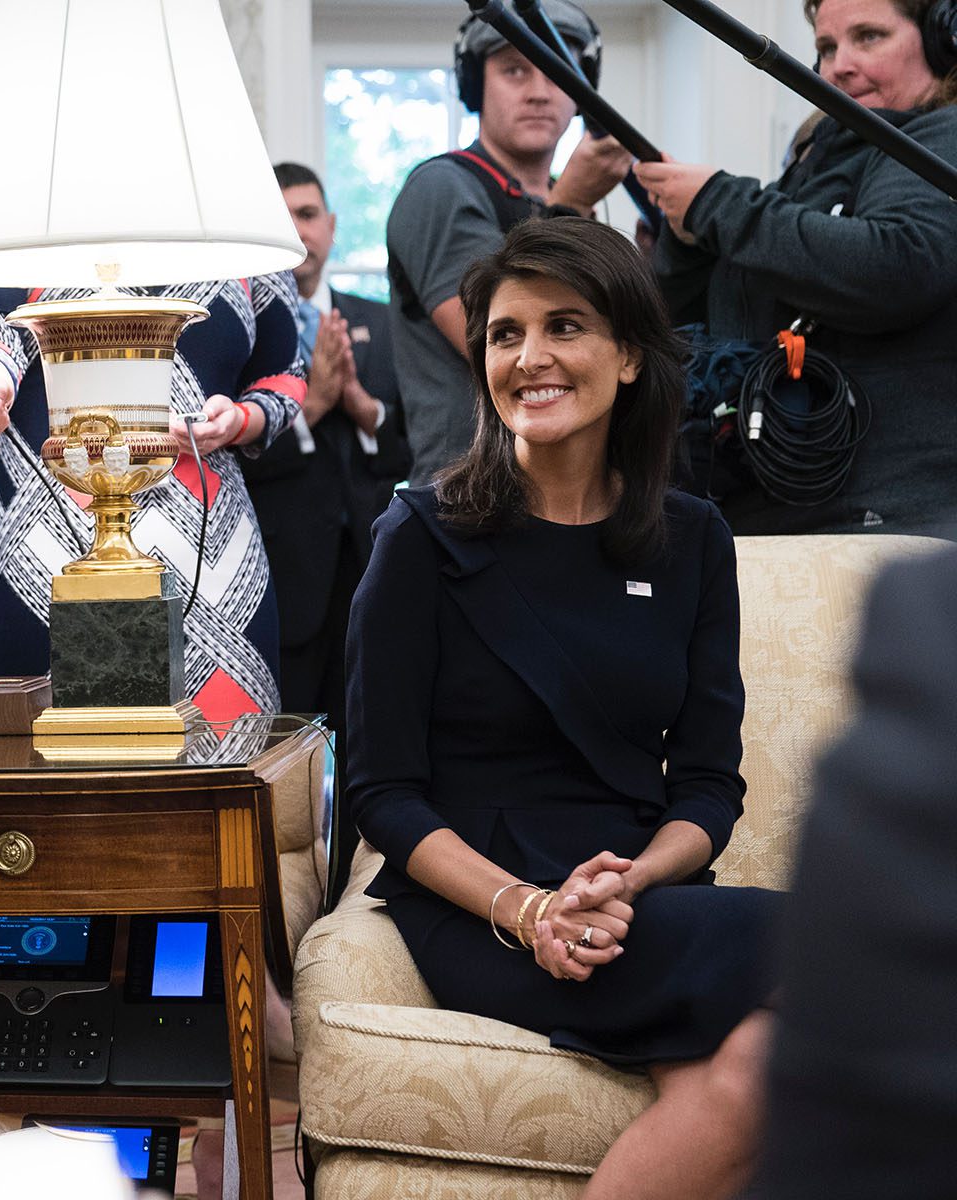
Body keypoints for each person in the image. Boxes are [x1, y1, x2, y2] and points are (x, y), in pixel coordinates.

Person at [348, 218, 779, 1199]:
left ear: (627, 356)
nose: (530, 357)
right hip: (482, 908)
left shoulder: (695, 540)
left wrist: (627, 883)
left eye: (565, 326)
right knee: (860, 945)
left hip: (635, 900)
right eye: (506, 333)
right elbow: (385, 791)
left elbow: (709, 786)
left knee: (756, 1075)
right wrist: (529, 906)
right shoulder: (419, 535)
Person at [635, 0, 957, 534]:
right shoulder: (822, 158)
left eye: (869, 37)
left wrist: (719, 203)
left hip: (891, 526)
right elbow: (696, 319)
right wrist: (689, 243)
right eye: (827, 47)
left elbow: (899, 265)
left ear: (944, 40)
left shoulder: (940, 137)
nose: (839, 66)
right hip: (777, 510)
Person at [0, 277, 304, 723]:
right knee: (36, 765)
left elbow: (282, 374)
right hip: (44, 539)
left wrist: (241, 419)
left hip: (214, 551)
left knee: (226, 763)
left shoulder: (238, 214)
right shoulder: (27, 212)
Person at [760, 546, 957, 1195]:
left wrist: (642, 870)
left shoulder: (923, 614)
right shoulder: (928, 621)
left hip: (649, 880)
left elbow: (706, 785)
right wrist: (521, 904)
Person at [386, 0, 634, 485]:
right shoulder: (441, 187)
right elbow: (496, 342)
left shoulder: (567, 199)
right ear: (476, 85)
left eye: (557, 73)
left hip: (567, 493)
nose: (540, 93)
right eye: (515, 71)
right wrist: (569, 205)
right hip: (470, 493)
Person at [243, 162, 408, 747]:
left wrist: (363, 408)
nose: (297, 231)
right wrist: (308, 407)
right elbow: (228, 460)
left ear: (331, 225)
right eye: (281, 218)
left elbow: (419, 446)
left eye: (308, 215)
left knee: (378, 741)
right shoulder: (246, 334)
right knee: (285, 754)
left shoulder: (384, 323)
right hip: (282, 577)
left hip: (376, 570)